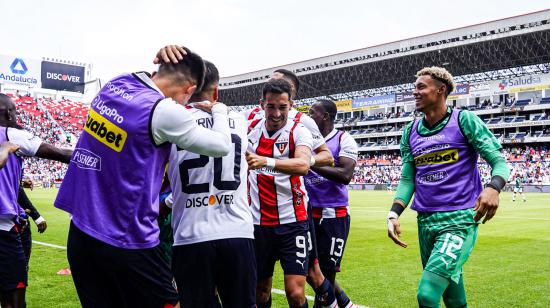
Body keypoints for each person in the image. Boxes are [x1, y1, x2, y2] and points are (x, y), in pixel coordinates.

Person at [54, 47, 233, 308]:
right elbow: (221, 145)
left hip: (81, 232)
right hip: (128, 240)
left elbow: (145, 75)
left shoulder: (116, 84)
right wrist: (219, 110)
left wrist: (164, 52)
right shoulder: (163, 111)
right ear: (188, 89)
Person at [386, 67, 510, 308]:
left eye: (421, 87)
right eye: (415, 87)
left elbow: (499, 161)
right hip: (426, 222)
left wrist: (493, 187)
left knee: (427, 294)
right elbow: (408, 179)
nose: (415, 92)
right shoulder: (410, 132)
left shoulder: (464, 120)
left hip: (459, 220)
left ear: (441, 90)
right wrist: (393, 213)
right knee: (453, 297)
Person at [164, 60, 255, 308]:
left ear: (187, 88)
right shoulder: (240, 120)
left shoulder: (171, 122)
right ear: (216, 92)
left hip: (190, 235)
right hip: (237, 232)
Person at [0, 93, 72, 308]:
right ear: (8, 113)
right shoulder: (11, 135)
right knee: (14, 299)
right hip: (3, 231)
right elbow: (62, 154)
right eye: (14, 110)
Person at [246, 78, 313, 308]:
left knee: (295, 293)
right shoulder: (250, 129)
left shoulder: (298, 132)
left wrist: (266, 161)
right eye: (271, 106)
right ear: (262, 104)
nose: (276, 113)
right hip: (258, 224)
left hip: (293, 222)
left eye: (282, 107)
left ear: (291, 105)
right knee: (260, 291)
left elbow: (303, 165)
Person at [305, 99, 359, 308]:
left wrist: (309, 162)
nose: (309, 117)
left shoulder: (344, 139)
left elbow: (345, 175)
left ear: (325, 116)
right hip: (307, 213)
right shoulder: (306, 140)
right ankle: (346, 304)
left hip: (333, 215)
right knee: (310, 272)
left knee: (325, 274)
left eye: (312, 112)